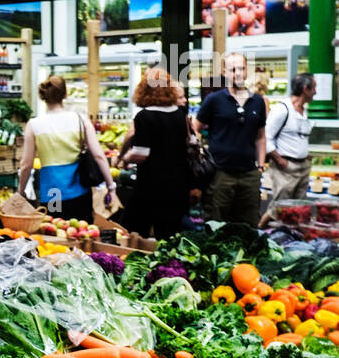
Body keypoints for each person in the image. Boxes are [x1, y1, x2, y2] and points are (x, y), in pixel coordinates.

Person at [17, 75, 115, 220]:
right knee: (81, 232)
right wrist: (111, 187)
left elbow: (26, 164)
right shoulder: (80, 119)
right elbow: (99, 156)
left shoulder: (34, 124)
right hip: (80, 190)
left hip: (52, 191)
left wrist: (21, 190)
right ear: (65, 94)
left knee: (55, 231)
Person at [193, 51, 267, 227]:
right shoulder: (214, 100)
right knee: (216, 222)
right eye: (233, 69)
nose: (238, 73)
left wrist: (261, 166)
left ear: (247, 71)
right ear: (224, 73)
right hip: (220, 172)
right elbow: (195, 129)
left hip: (249, 173)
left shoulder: (258, 101)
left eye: (241, 68)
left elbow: (261, 137)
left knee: (248, 224)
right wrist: (202, 158)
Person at [117, 68, 191, 240]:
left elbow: (141, 154)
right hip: (177, 185)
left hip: (150, 185)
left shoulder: (144, 117)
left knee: (133, 230)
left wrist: (124, 158)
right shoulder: (180, 115)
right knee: (168, 235)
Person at [265, 73, 317, 207]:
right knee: (280, 207)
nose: (315, 93)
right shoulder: (282, 109)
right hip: (286, 168)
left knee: (299, 207)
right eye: (314, 88)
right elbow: (266, 137)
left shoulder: (304, 111)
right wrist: (280, 160)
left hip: (303, 167)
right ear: (305, 89)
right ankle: (263, 228)